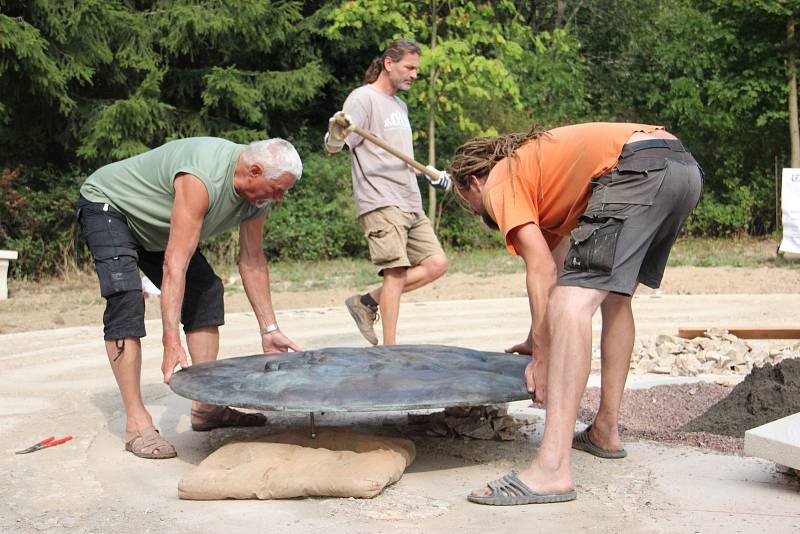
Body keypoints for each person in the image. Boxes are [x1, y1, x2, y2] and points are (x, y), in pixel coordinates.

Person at [448, 122, 703, 504]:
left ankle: (551, 469)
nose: (474, 211)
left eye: (468, 203)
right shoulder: (545, 177)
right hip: (681, 168)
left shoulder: (502, 177)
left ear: (473, 181)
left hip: (638, 168)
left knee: (572, 304)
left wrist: (544, 360)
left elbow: (543, 272)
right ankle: (605, 429)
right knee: (614, 297)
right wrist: (536, 339)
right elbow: (559, 265)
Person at [76, 137, 303, 459]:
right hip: (112, 208)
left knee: (206, 290)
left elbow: (252, 261)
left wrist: (270, 329)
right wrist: (171, 340)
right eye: (277, 188)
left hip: (155, 230)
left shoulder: (258, 200)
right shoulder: (201, 177)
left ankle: (207, 406)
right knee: (126, 298)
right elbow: (175, 264)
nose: (279, 198)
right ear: (253, 171)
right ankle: (137, 424)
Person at [325, 38, 449, 346]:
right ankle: (391, 351)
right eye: (409, 67)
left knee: (436, 264)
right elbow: (334, 146)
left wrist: (427, 171)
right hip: (379, 199)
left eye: (416, 69)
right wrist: (335, 133)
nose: (414, 74)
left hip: (409, 199)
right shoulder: (363, 98)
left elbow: (396, 154)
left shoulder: (399, 105)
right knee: (395, 271)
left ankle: (367, 302)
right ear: (389, 64)